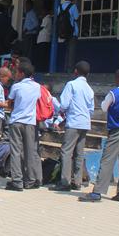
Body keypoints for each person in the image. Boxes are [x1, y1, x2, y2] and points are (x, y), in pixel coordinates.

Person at [79, 68, 119, 203]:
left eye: (116, 78)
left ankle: (97, 192)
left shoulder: (115, 93)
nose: (115, 80)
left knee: (107, 160)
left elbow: (104, 107)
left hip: (117, 129)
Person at [49, 61, 95, 192]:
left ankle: (65, 181)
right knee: (79, 153)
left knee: (66, 152)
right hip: (85, 123)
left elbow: (63, 104)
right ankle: (77, 181)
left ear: (75, 71)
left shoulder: (71, 85)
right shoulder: (89, 89)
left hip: (73, 122)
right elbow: (91, 110)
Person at [5, 59, 43, 191]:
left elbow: (9, 104)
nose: (15, 74)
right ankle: (30, 180)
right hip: (30, 123)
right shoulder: (37, 86)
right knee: (30, 151)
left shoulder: (16, 86)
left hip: (16, 121)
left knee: (16, 151)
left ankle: (17, 181)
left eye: (16, 72)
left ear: (21, 73)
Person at [57, 0, 80, 74]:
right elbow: (76, 18)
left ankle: (65, 69)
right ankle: (70, 71)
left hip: (63, 33)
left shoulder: (60, 7)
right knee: (72, 52)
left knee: (67, 51)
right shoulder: (73, 6)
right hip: (72, 32)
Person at [34, 0, 53, 72]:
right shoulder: (46, 18)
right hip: (43, 39)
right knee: (41, 57)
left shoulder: (47, 18)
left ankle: (41, 70)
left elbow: (41, 27)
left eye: (42, 11)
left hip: (44, 40)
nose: (41, 13)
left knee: (42, 57)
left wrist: (38, 24)